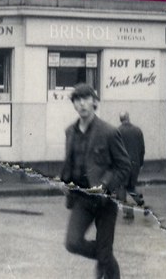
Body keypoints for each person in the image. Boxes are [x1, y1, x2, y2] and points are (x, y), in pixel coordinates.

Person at [60, 83, 131, 279]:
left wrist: (105, 185)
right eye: (77, 100)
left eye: (86, 99)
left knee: (104, 255)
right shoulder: (70, 131)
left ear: (94, 102)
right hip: (81, 200)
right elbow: (70, 161)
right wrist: (64, 181)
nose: (82, 104)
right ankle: (104, 255)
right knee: (72, 243)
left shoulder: (108, 132)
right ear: (74, 104)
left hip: (105, 201)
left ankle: (105, 259)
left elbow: (124, 166)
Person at [117, 112, 146, 219]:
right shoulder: (137, 130)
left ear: (120, 119)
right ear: (128, 118)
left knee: (121, 188)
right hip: (135, 164)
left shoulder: (117, 131)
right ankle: (141, 203)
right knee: (131, 186)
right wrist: (141, 163)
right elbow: (142, 148)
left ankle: (128, 212)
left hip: (122, 164)